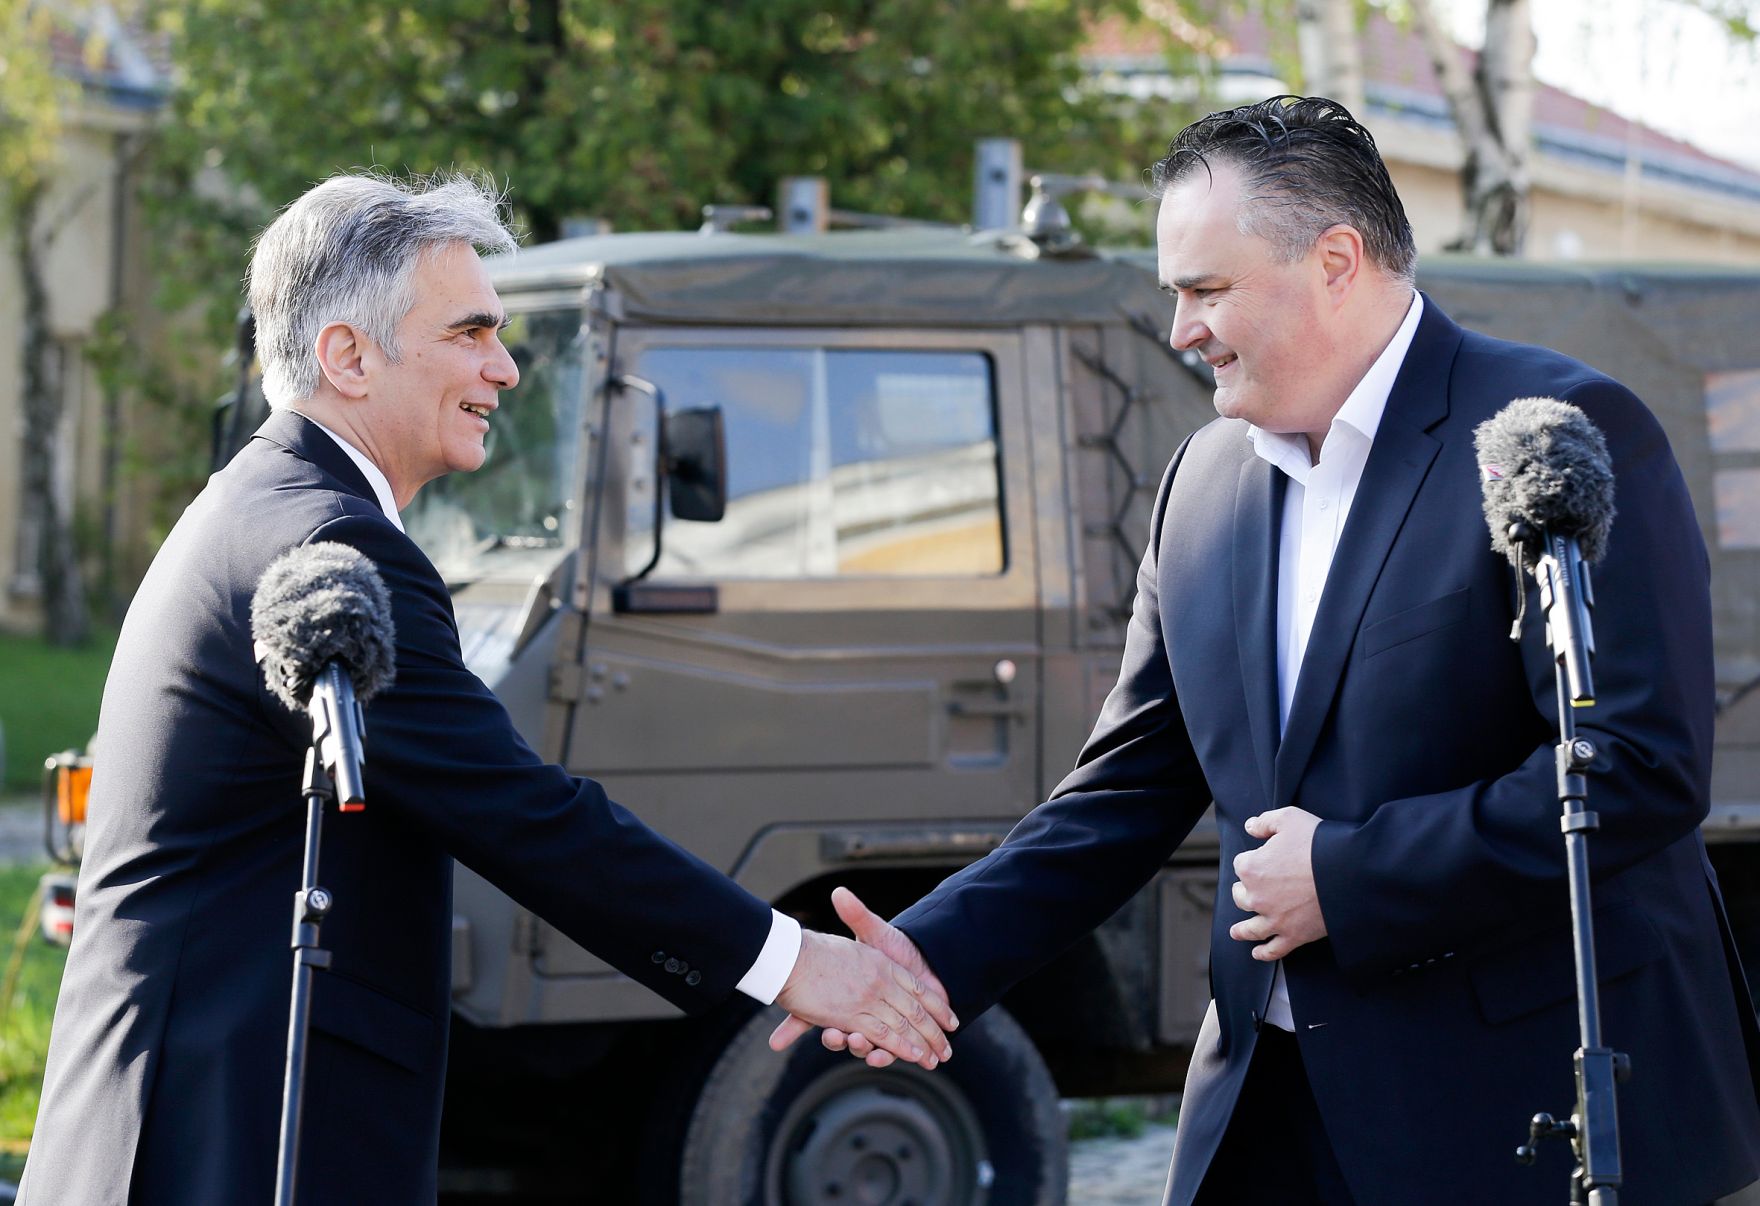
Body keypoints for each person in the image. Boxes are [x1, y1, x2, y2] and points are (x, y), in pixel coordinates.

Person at [774, 96, 1760, 1204]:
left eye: (1205, 291)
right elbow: (1122, 795)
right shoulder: (1201, 481)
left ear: (1335, 260)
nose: (1179, 328)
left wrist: (1345, 876)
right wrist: (918, 956)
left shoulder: (1554, 429)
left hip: (1520, 1115)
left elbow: (1633, 767)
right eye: (1174, 295)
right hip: (1270, 1110)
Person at [19, 173, 954, 1205]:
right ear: (347, 355)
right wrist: (794, 964)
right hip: (235, 1134)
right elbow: (525, 815)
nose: (503, 369)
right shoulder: (329, 539)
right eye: (468, 333)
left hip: (196, 1114)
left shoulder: (263, 502)